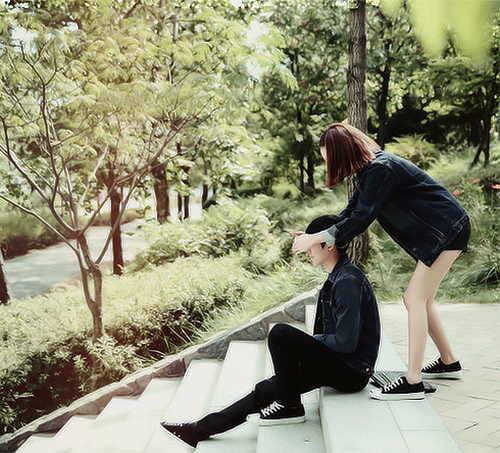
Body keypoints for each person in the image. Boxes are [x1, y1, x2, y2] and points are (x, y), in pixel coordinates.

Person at [160, 214, 381, 448]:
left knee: (280, 333)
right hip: (341, 362)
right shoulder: (338, 276)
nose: (307, 250)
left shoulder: (347, 281)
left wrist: (310, 344)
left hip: (352, 370)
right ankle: (197, 430)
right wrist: (307, 353)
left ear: (329, 245)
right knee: (269, 389)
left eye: (311, 244)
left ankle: (288, 404)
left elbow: (346, 342)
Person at [292, 123, 469, 401]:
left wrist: (319, 237)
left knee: (414, 299)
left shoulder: (380, 169)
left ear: (344, 152)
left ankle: (413, 381)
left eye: (331, 158)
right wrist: (315, 236)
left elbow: (362, 217)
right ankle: (448, 361)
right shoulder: (368, 172)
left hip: (448, 230)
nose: (330, 165)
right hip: (441, 231)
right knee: (423, 300)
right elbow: (350, 212)